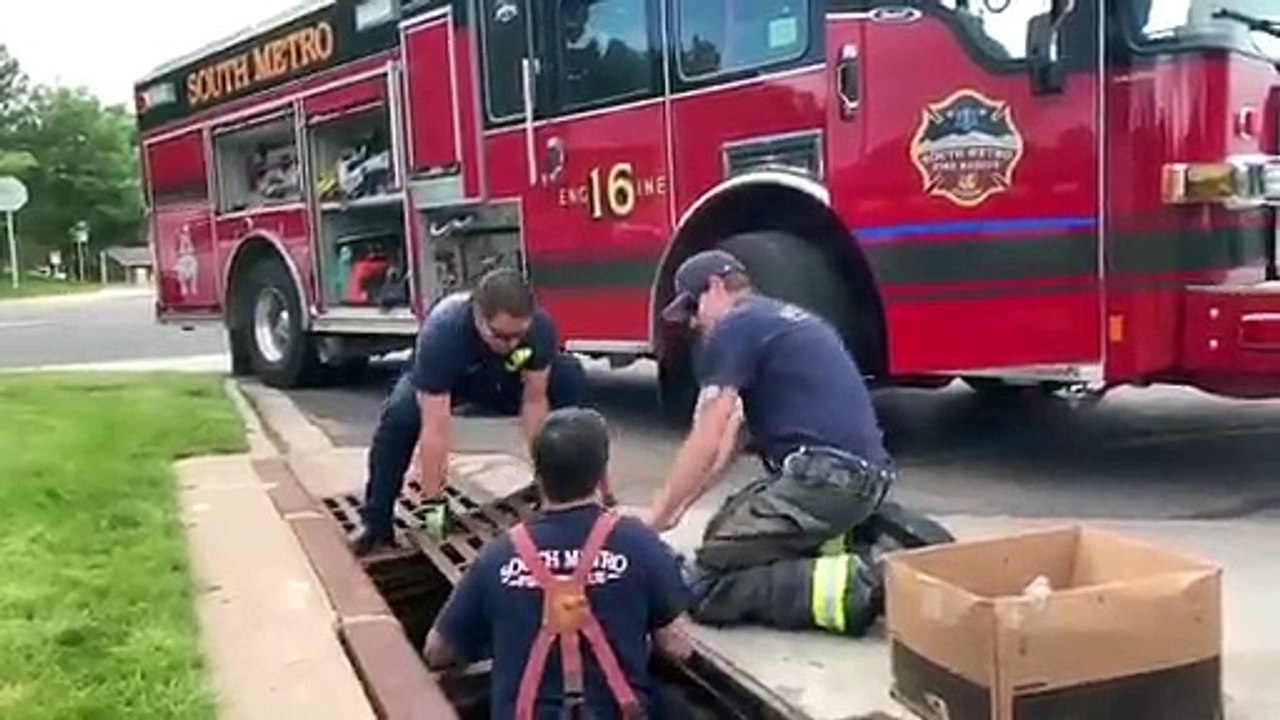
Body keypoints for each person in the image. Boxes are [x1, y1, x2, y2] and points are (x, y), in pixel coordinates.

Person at [640, 249, 897, 637]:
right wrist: (680, 507)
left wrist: (654, 520)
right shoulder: (774, 319)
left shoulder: (734, 326)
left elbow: (707, 434)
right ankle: (842, 549)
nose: (693, 323)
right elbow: (734, 434)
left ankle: (860, 584)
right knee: (720, 537)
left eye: (693, 308)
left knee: (702, 584)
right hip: (853, 478)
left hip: (826, 478)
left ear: (715, 287)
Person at [423, 407, 694, 720]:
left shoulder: (499, 556)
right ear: (603, 476)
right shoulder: (640, 545)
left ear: (538, 478)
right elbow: (678, 646)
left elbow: (437, 651)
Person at [352, 269, 590, 557]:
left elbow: (534, 403)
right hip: (455, 382)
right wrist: (433, 506)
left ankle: (562, 494)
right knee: (399, 416)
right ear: (477, 316)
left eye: (519, 335)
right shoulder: (444, 330)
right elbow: (435, 429)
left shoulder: (538, 329)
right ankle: (376, 522)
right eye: (502, 336)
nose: (512, 344)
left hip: (505, 381)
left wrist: (544, 473)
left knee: (569, 377)